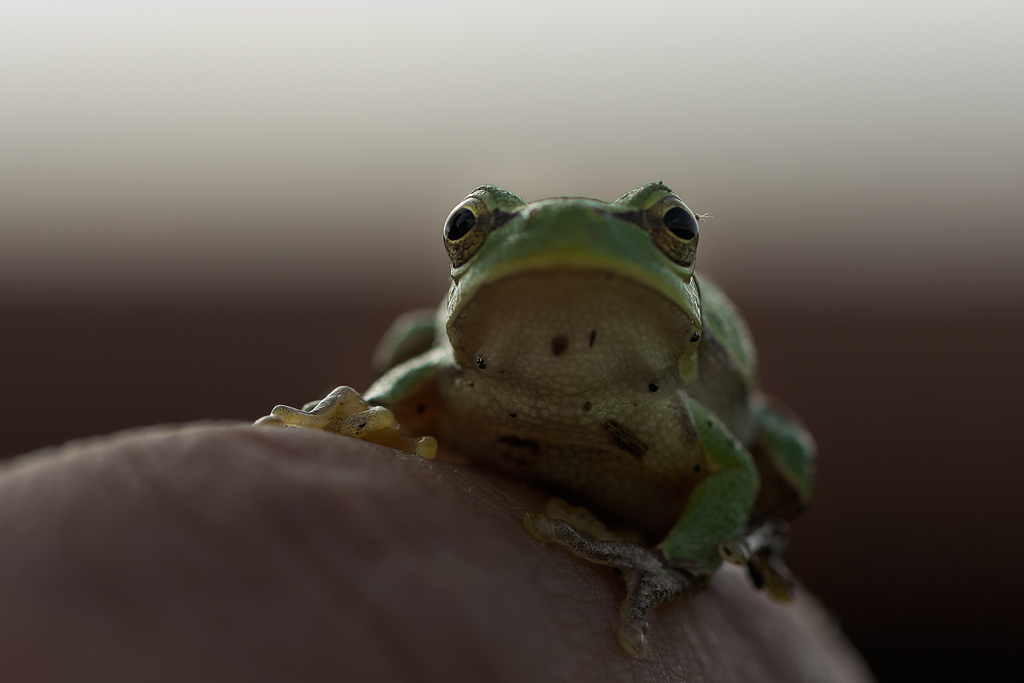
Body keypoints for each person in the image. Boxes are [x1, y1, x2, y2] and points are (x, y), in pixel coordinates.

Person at [0, 424, 874, 682]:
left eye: (673, 229)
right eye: (469, 228)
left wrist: (677, 558)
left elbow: (733, 465)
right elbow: (412, 368)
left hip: (688, 520)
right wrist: (374, 411)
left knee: (786, 452)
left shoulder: (691, 406)